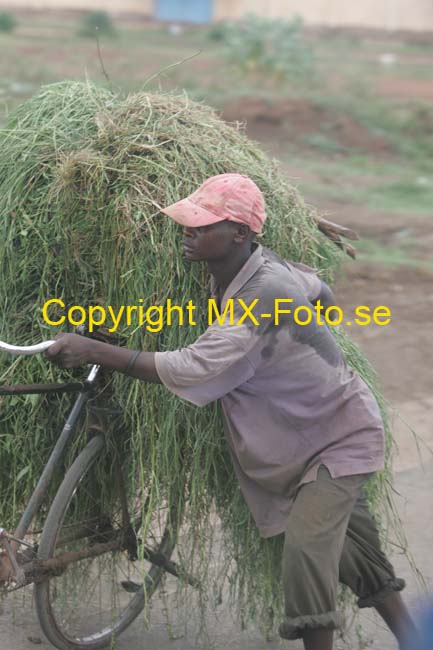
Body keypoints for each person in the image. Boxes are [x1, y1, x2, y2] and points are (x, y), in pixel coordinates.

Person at [45, 173, 417, 650]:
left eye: (203, 227)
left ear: (240, 235)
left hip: (337, 438)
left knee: (305, 555)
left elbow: (194, 365)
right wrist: (298, 339)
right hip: (292, 439)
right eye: (188, 225)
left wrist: (94, 349)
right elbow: (320, 289)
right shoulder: (256, 271)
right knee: (353, 554)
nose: (188, 233)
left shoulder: (265, 289)